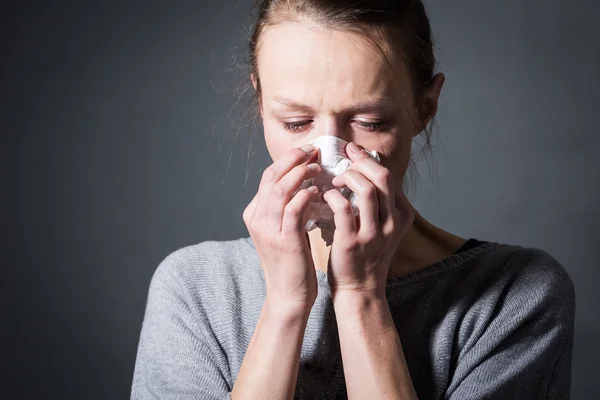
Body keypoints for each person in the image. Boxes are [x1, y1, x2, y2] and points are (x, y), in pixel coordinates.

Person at [130, 1, 575, 399]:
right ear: (262, 104)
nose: (330, 157)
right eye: (296, 122)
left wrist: (362, 297)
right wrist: (285, 304)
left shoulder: (514, 294)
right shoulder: (194, 289)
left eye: (369, 121)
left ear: (425, 107)